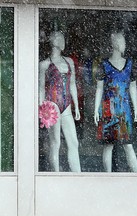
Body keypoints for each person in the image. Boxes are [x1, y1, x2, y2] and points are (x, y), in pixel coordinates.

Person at [94, 31, 137, 172]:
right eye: (123, 42)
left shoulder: (130, 64)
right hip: (109, 110)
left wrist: (136, 109)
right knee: (108, 145)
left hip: (124, 111)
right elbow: (99, 88)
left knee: (128, 144)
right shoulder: (104, 65)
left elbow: (133, 87)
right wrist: (96, 110)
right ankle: (107, 176)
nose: (125, 45)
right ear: (118, 44)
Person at [39, 31, 81, 172]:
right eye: (62, 39)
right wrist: (41, 108)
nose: (64, 42)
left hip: (67, 106)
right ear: (55, 42)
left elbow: (72, 84)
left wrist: (77, 107)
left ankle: (77, 175)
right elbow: (41, 89)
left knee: (73, 142)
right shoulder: (44, 64)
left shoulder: (69, 62)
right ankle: (55, 175)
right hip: (52, 106)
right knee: (55, 143)